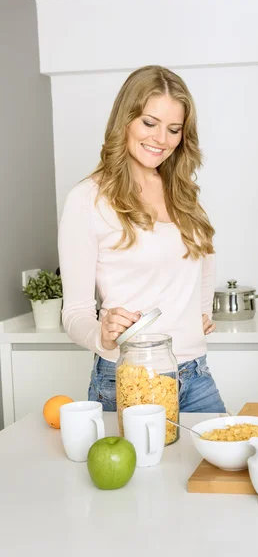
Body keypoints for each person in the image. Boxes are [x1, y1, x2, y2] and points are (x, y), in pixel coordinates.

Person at [58, 65, 226, 413]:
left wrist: (201, 311)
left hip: (194, 373)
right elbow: (74, 313)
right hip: (128, 376)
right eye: (150, 123)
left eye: (173, 129)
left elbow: (205, 255)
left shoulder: (183, 194)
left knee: (222, 466)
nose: (161, 139)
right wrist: (101, 334)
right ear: (126, 120)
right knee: (137, 469)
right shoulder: (88, 199)